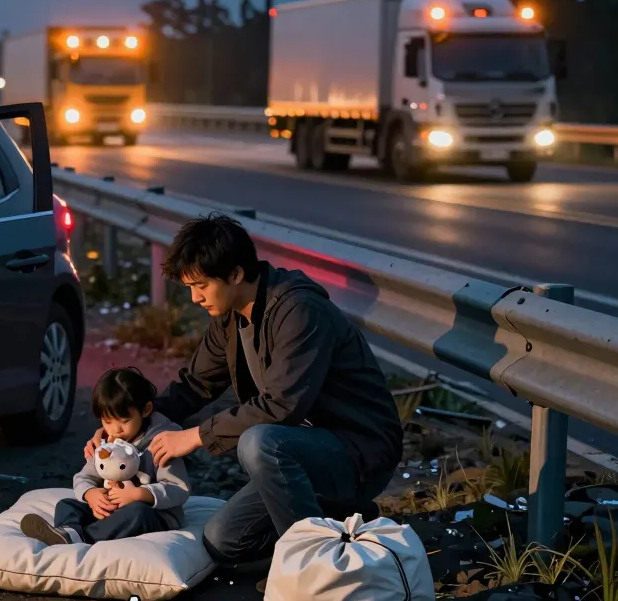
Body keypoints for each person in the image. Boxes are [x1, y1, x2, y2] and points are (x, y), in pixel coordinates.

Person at [84, 214, 403, 565]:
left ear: (236, 274)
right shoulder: (230, 316)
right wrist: (125, 429)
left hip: (358, 452)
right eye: (189, 287)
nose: (194, 298)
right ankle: (345, 515)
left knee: (258, 441)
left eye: (201, 286)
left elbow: (282, 405)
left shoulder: (299, 311)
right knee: (224, 541)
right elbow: (194, 385)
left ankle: (314, 565)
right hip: (297, 454)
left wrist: (196, 435)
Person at [22, 367, 190, 546]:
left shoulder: (163, 443)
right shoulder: (106, 444)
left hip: (152, 513)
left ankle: (81, 537)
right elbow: (84, 477)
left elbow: (179, 489)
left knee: (137, 513)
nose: (116, 430)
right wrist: (90, 494)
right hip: (110, 510)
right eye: (107, 421)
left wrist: (140, 494)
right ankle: (68, 531)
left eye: (125, 421)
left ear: (146, 410)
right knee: (67, 504)